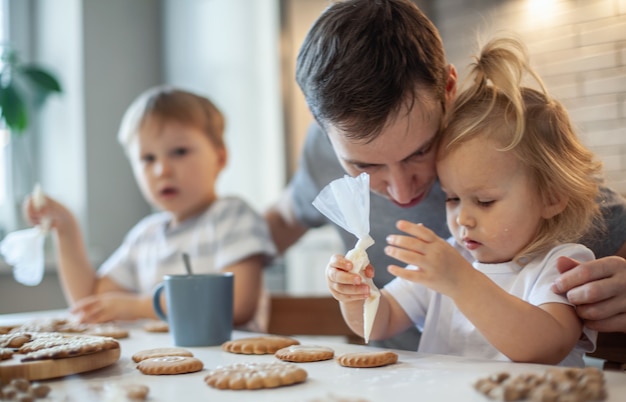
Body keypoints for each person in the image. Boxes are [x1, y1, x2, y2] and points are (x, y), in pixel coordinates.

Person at [264, 0, 626, 350]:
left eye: (420, 151)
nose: (403, 193)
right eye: (365, 166)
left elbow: (603, 222)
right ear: (323, 130)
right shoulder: (323, 148)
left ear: (449, 90)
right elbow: (282, 218)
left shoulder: (494, 147)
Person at [326, 37, 600, 366]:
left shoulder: (561, 265)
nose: (463, 218)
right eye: (452, 198)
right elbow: (380, 323)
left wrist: (460, 281)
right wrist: (356, 293)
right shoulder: (449, 259)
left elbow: (545, 348)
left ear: (552, 197)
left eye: (484, 201)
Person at [25, 86, 277, 330]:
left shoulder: (232, 217)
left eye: (179, 152)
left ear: (220, 158)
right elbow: (91, 303)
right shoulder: (145, 236)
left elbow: (235, 305)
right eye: (148, 158)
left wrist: (138, 307)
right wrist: (66, 228)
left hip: (230, 365)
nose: (162, 170)